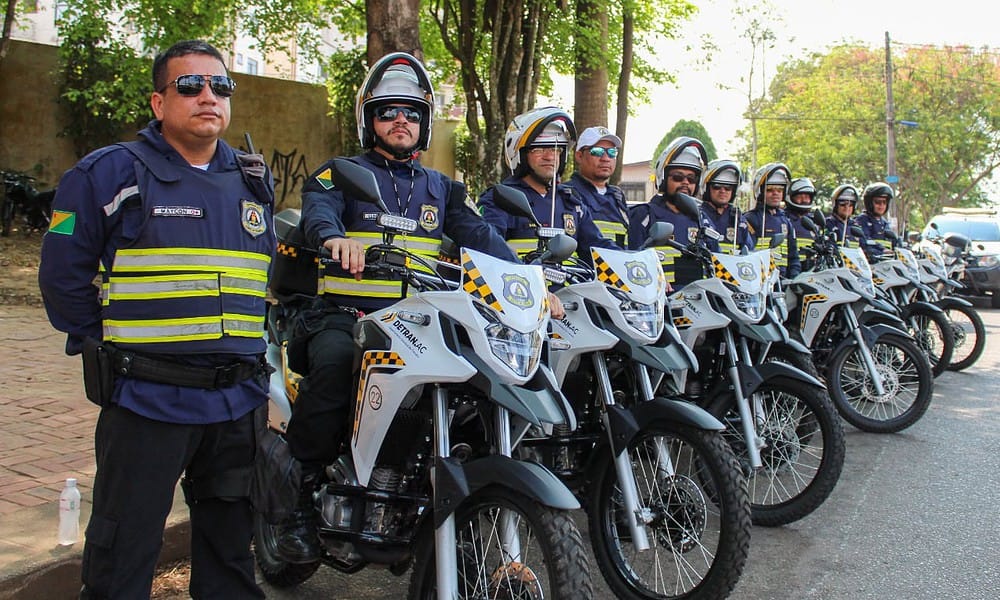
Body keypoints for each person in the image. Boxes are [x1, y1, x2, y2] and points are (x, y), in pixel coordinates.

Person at [38, 40, 273, 599]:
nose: (207, 97)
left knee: (230, 557)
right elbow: (62, 282)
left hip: (236, 406)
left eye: (219, 86)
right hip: (148, 402)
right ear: (158, 102)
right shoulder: (105, 174)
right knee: (123, 555)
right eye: (189, 86)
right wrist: (111, 345)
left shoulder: (252, 178)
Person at [279, 52, 531, 563]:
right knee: (331, 369)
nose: (401, 121)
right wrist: (334, 239)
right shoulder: (340, 173)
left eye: (412, 112)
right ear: (369, 119)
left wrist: (526, 279)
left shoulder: (443, 189)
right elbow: (318, 211)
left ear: (425, 123)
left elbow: (480, 236)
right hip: (348, 317)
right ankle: (299, 503)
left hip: (418, 324)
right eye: (389, 111)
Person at [478, 106, 619, 262]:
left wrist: (630, 261)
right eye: (539, 149)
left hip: (571, 287)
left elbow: (597, 248)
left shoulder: (571, 202)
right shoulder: (499, 199)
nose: (550, 157)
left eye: (556, 149)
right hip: (521, 285)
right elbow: (485, 252)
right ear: (520, 154)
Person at [628, 136, 716, 288]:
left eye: (691, 178)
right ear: (663, 178)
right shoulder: (645, 215)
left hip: (698, 303)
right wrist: (654, 279)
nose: (685, 182)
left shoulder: (701, 218)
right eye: (678, 177)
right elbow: (631, 260)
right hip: (659, 302)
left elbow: (716, 259)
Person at [564, 125, 630, 247]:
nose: (606, 158)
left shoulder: (617, 197)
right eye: (597, 151)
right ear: (579, 156)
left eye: (612, 152)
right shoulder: (566, 194)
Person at [744, 162, 801, 278]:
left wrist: (794, 278)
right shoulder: (751, 218)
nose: (775, 193)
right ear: (760, 192)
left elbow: (793, 256)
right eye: (770, 190)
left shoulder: (786, 221)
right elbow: (745, 254)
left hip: (782, 283)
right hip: (759, 280)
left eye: (779, 190)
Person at [699, 158, 750, 254]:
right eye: (717, 186)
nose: (723, 191)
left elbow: (748, 250)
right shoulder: (698, 215)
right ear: (706, 188)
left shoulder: (738, 218)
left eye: (728, 188)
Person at [857, 182, 896, 260]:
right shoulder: (862, 220)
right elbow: (864, 242)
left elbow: (893, 242)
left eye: (884, 202)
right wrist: (882, 250)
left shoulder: (884, 223)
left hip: (887, 262)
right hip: (871, 263)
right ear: (869, 203)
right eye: (878, 202)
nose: (881, 206)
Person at [786, 177, 819, 269]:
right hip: (789, 270)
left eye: (807, 197)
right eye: (800, 197)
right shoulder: (784, 219)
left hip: (811, 271)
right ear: (790, 197)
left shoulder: (815, 221)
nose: (804, 200)